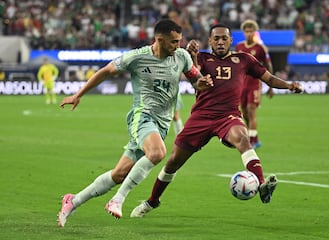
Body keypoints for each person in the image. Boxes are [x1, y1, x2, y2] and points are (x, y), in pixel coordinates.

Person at [130, 23, 302, 218]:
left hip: (227, 116)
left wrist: (289, 85)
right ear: (210, 41)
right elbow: (193, 75)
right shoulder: (202, 58)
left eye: (224, 38)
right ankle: (152, 201)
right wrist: (193, 56)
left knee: (242, 138)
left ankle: (261, 185)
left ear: (230, 40)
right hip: (201, 117)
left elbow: (269, 79)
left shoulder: (244, 60)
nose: (220, 42)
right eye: (216, 38)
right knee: (172, 163)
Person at [57, 19, 213, 227]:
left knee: (119, 174)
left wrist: (202, 83)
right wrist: (78, 94)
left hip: (162, 124)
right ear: (160, 40)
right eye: (173, 42)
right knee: (157, 153)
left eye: (179, 41)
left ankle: (72, 201)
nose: (177, 46)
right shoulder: (137, 57)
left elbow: (196, 80)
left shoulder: (182, 56)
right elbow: (106, 71)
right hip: (142, 117)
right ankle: (118, 199)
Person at [235, 19, 274, 149]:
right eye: (246, 31)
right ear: (243, 33)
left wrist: (270, 86)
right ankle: (254, 138)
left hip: (254, 83)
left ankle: (251, 141)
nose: (249, 33)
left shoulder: (260, 48)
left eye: (251, 31)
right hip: (242, 84)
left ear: (255, 32)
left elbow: (268, 65)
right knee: (244, 112)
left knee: (251, 110)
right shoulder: (239, 47)